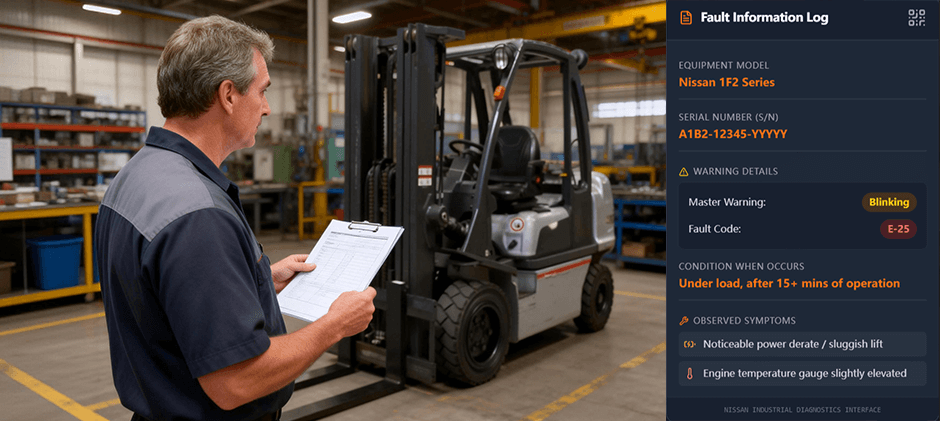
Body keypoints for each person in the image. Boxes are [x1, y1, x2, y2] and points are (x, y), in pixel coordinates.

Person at [95, 15, 376, 421]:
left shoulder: (137, 175)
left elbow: (167, 302)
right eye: (262, 91)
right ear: (228, 95)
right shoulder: (197, 214)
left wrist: (257, 279)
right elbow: (236, 382)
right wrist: (335, 325)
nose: (266, 107)